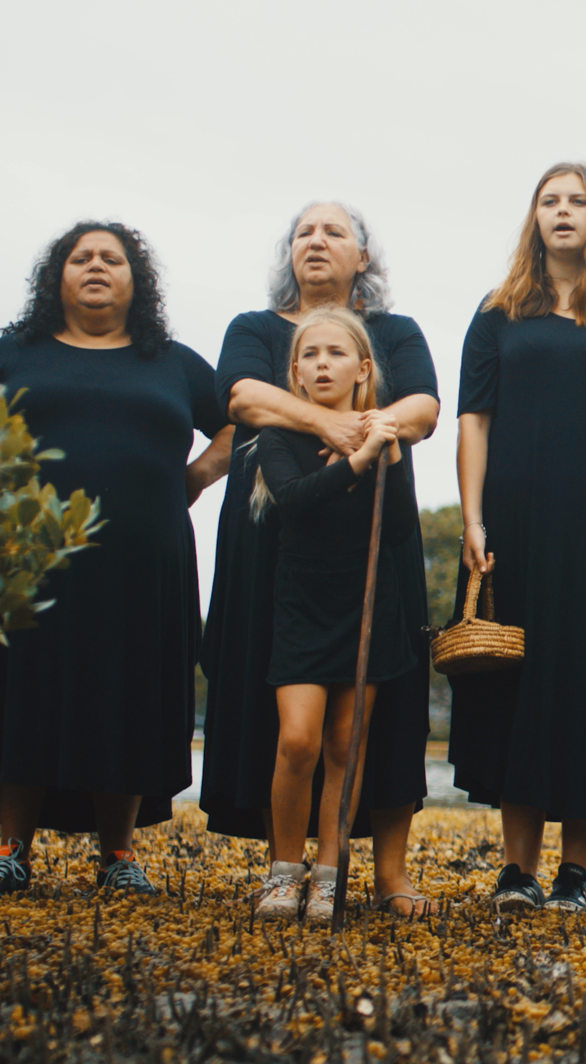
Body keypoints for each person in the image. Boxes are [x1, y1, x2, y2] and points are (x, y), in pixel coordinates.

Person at [0, 220, 231, 899]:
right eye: (82, 257)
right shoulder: (14, 355)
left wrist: (193, 478)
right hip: (28, 558)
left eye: (113, 257)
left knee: (128, 695)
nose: (97, 266)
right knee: (25, 693)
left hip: (143, 565)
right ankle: (11, 850)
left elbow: (236, 422)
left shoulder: (171, 361)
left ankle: (118, 855)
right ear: (58, 276)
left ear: (137, 279)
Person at [199, 202, 440, 914]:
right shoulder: (253, 329)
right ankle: (283, 867)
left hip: (374, 541)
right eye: (304, 231)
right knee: (288, 721)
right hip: (275, 539)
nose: (316, 241)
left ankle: (385, 873)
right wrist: (336, 427)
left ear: (362, 257)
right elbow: (243, 399)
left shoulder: (396, 332)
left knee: (367, 723)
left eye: (334, 232)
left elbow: (423, 410)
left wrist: (367, 439)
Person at [450, 162, 586, 914]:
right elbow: (474, 420)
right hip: (513, 525)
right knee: (515, 683)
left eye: (577, 201)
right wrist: (473, 519)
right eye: (550, 201)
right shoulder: (498, 312)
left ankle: (575, 874)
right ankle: (517, 870)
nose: (563, 211)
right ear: (535, 217)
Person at [237, 308, 434, 924]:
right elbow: (296, 504)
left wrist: (387, 455)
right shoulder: (279, 435)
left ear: (364, 368)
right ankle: (283, 871)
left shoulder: (386, 436)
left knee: (346, 747)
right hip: (304, 605)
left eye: (336, 353)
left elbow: (397, 527)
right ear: (295, 372)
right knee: (298, 741)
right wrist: (355, 458)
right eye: (311, 355)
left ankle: (328, 875)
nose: (323, 364)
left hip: (367, 606)